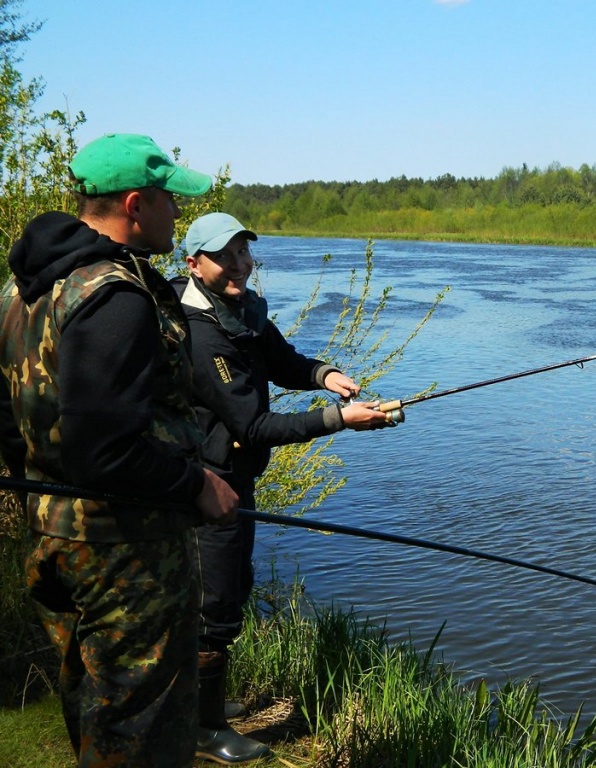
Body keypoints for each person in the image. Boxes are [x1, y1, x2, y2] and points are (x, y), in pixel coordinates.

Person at [0, 134, 239, 767]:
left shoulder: (23, 291)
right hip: (125, 555)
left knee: (95, 712)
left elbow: (7, 413)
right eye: (168, 202)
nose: (176, 216)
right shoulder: (117, 297)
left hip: (52, 538)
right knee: (143, 732)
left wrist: (41, 483)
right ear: (136, 204)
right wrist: (196, 485)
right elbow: (105, 450)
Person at [173, 212, 395, 763]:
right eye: (226, 256)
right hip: (208, 483)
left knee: (231, 590)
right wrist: (338, 420)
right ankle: (202, 732)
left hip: (236, 478)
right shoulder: (200, 334)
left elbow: (281, 360)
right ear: (193, 263)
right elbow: (251, 425)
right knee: (216, 604)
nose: (240, 265)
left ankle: (200, 709)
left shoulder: (242, 310)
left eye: (245, 253)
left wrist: (325, 375)